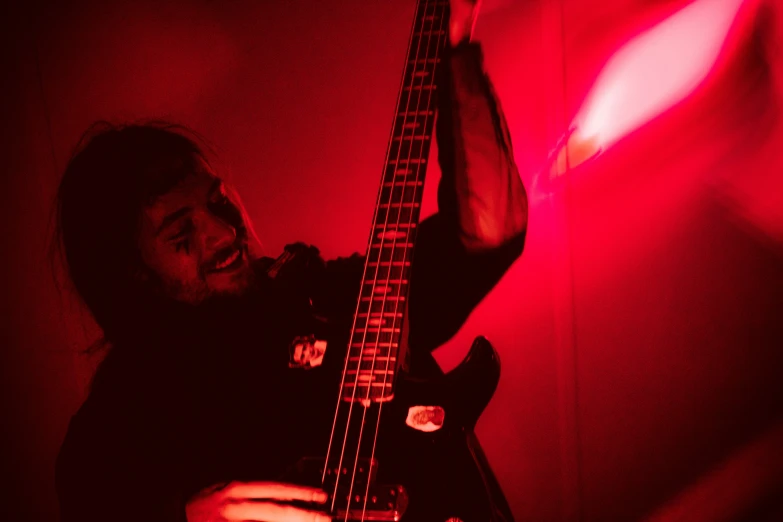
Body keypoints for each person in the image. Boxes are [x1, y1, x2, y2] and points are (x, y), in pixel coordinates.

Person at [54, 0, 528, 520]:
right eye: (180, 233)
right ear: (133, 276)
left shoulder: (320, 297)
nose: (221, 230)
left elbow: (486, 231)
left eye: (218, 199)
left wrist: (454, 44)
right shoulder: (124, 412)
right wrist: (185, 516)